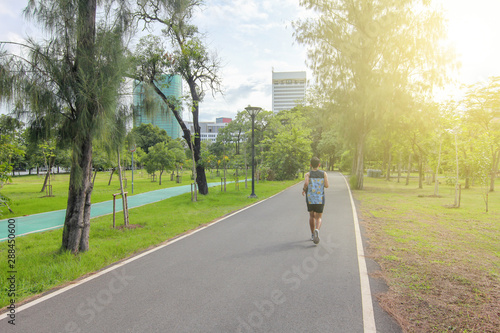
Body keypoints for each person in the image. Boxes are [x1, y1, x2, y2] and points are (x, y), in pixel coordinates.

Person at [302, 157, 329, 244]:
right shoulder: (324, 174)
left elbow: (306, 183)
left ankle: (313, 234)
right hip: (319, 198)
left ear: (310, 165)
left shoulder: (308, 174)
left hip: (310, 198)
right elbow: (327, 185)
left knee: (312, 216)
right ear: (319, 164)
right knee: (319, 217)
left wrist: (304, 189)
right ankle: (317, 229)